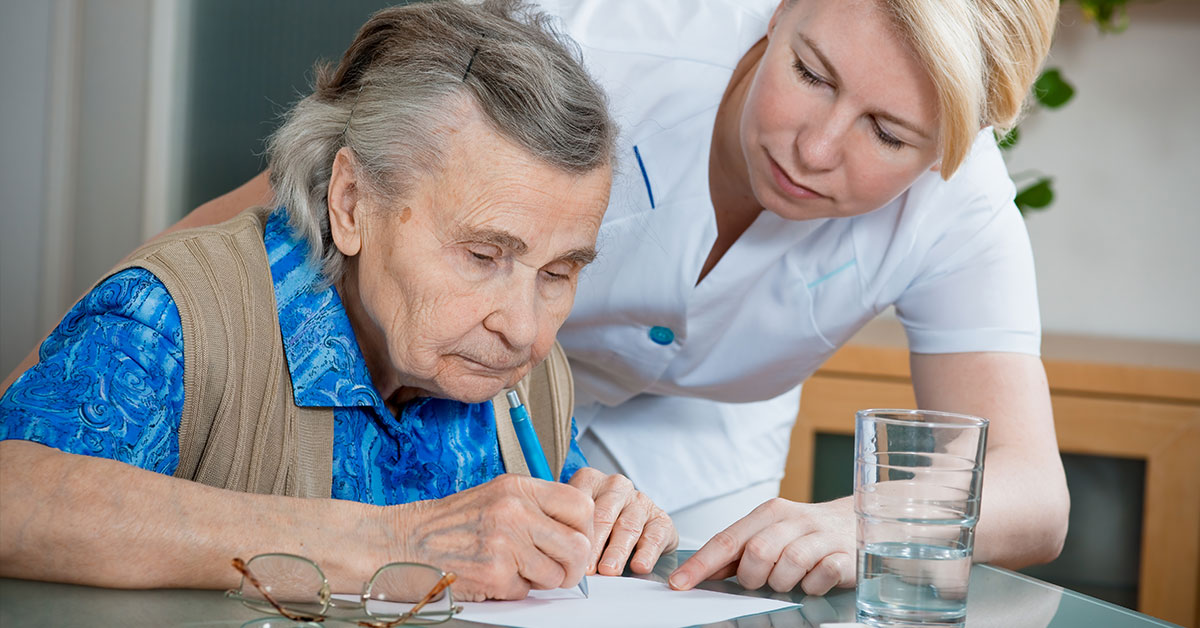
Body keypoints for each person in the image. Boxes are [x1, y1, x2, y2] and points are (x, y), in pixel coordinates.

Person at [4, 0, 1071, 596]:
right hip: (416, 359)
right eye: (810, 72)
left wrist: (860, 522)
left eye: (889, 135)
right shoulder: (592, 38)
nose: (816, 146)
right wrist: (113, 325)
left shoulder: (960, 205)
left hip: (560, 418)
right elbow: (320, 192)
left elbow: (1031, 487)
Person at [0, 0, 677, 602]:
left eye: (559, 272)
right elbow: (13, 494)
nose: (525, 329)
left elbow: (516, 536)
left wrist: (602, 521)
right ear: (351, 203)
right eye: (481, 255)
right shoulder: (172, 320)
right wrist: (394, 543)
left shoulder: (525, 376)